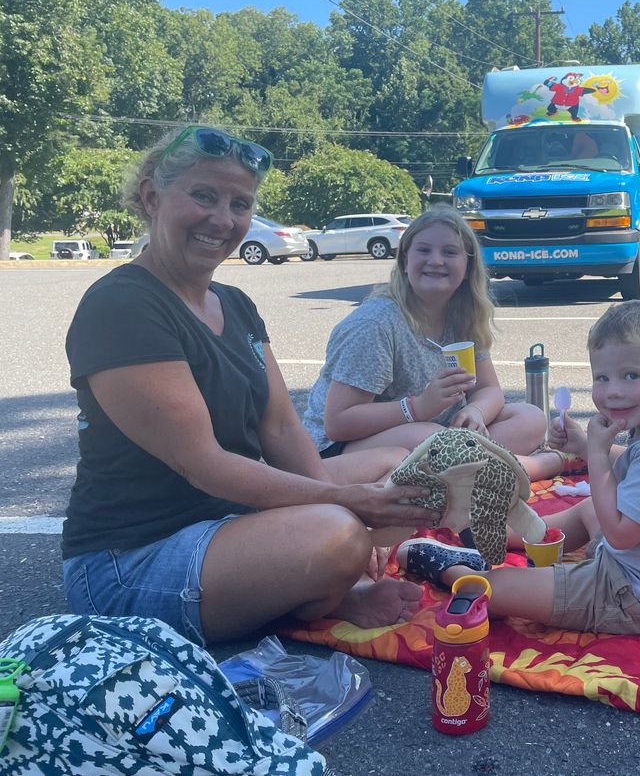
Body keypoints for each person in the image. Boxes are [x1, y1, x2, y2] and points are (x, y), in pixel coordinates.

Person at [62, 125, 439, 646]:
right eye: (203, 196)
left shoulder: (235, 303)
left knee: (387, 464)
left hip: (224, 523)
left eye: (240, 203)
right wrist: (347, 506)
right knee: (340, 533)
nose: (223, 220)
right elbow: (201, 463)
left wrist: (348, 497)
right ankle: (314, 591)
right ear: (151, 196)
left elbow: (282, 427)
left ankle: (308, 586)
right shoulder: (122, 304)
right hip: (131, 560)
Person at [395, 300, 640, 634]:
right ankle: (505, 538)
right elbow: (634, 467)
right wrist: (584, 445)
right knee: (587, 509)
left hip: (635, 597)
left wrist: (595, 455)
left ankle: (456, 567)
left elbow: (621, 535)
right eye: (603, 377)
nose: (613, 392)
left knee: (497, 589)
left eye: (631, 375)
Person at [301, 205, 568, 480]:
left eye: (450, 252)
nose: (436, 260)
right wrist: (417, 407)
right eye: (424, 250)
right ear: (405, 260)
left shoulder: (464, 315)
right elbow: (338, 423)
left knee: (530, 418)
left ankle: (471, 472)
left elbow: (489, 390)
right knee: (434, 440)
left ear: (467, 267)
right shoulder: (375, 324)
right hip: (338, 452)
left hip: (434, 431)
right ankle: (537, 466)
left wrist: (475, 411)